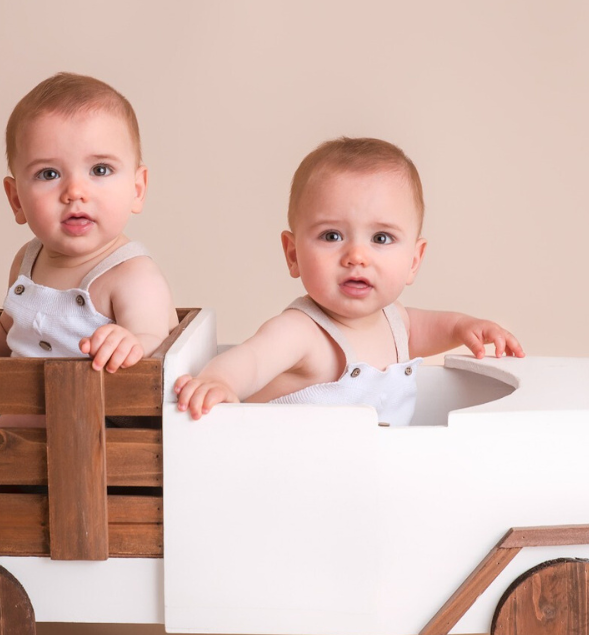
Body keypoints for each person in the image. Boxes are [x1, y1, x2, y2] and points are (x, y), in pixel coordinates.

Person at [173, 137, 523, 425]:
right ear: (293, 254)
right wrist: (220, 381)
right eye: (332, 236)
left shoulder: (395, 322)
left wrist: (464, 327)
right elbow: (251, 359)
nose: (356, 256)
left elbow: (426, 329)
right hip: (291, 476)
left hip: (361, 478)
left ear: (414, 261)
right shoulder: (301, 332)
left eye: (381, 238)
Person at [0, 73, 178, 426]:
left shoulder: (132, 274)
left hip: (83, 420)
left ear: (137, 189)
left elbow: (154, 341)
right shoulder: (27, 260)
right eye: (49, 174)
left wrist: (128, 342)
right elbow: (5, 331)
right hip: (11, 401)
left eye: (100, 169)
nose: (75, 191)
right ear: (17, 200)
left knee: (48, 408)